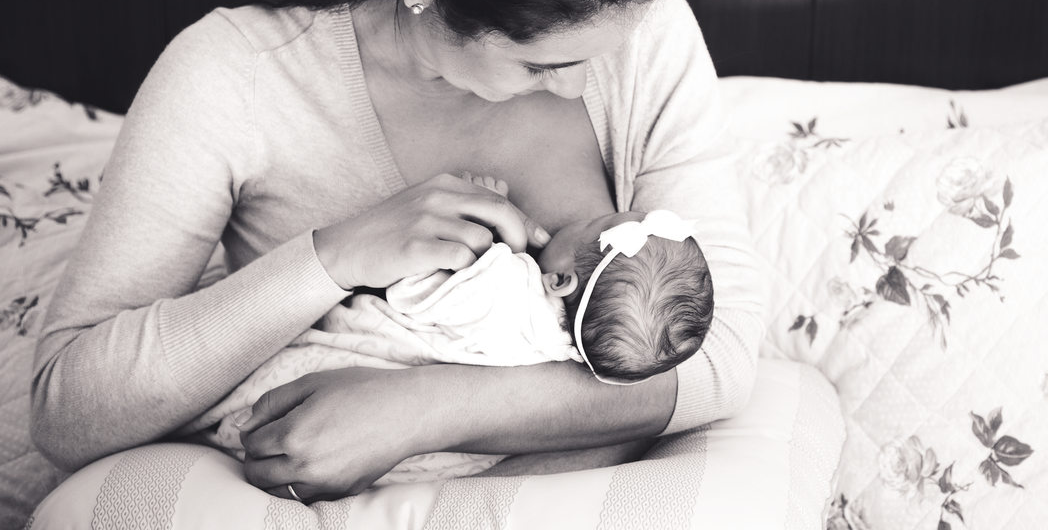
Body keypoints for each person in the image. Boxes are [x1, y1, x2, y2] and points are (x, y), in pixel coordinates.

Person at [31, 0, 763, 504]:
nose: (580, 86)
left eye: (599, 54)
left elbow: (725, 353)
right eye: (540, 64)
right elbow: (66, 412)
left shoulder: (646, 31)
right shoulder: (236, 76)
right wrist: (335, 256)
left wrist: (421, 412)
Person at [180, 174, 715, 486]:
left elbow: (415, 289)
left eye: (596, 222)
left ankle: (215, 418)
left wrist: (481, 236)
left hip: (348, 385)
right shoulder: (568, 354)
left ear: (559, 281)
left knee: (255, 377)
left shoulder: (508, 290)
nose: (585, 216)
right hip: (439, 465)